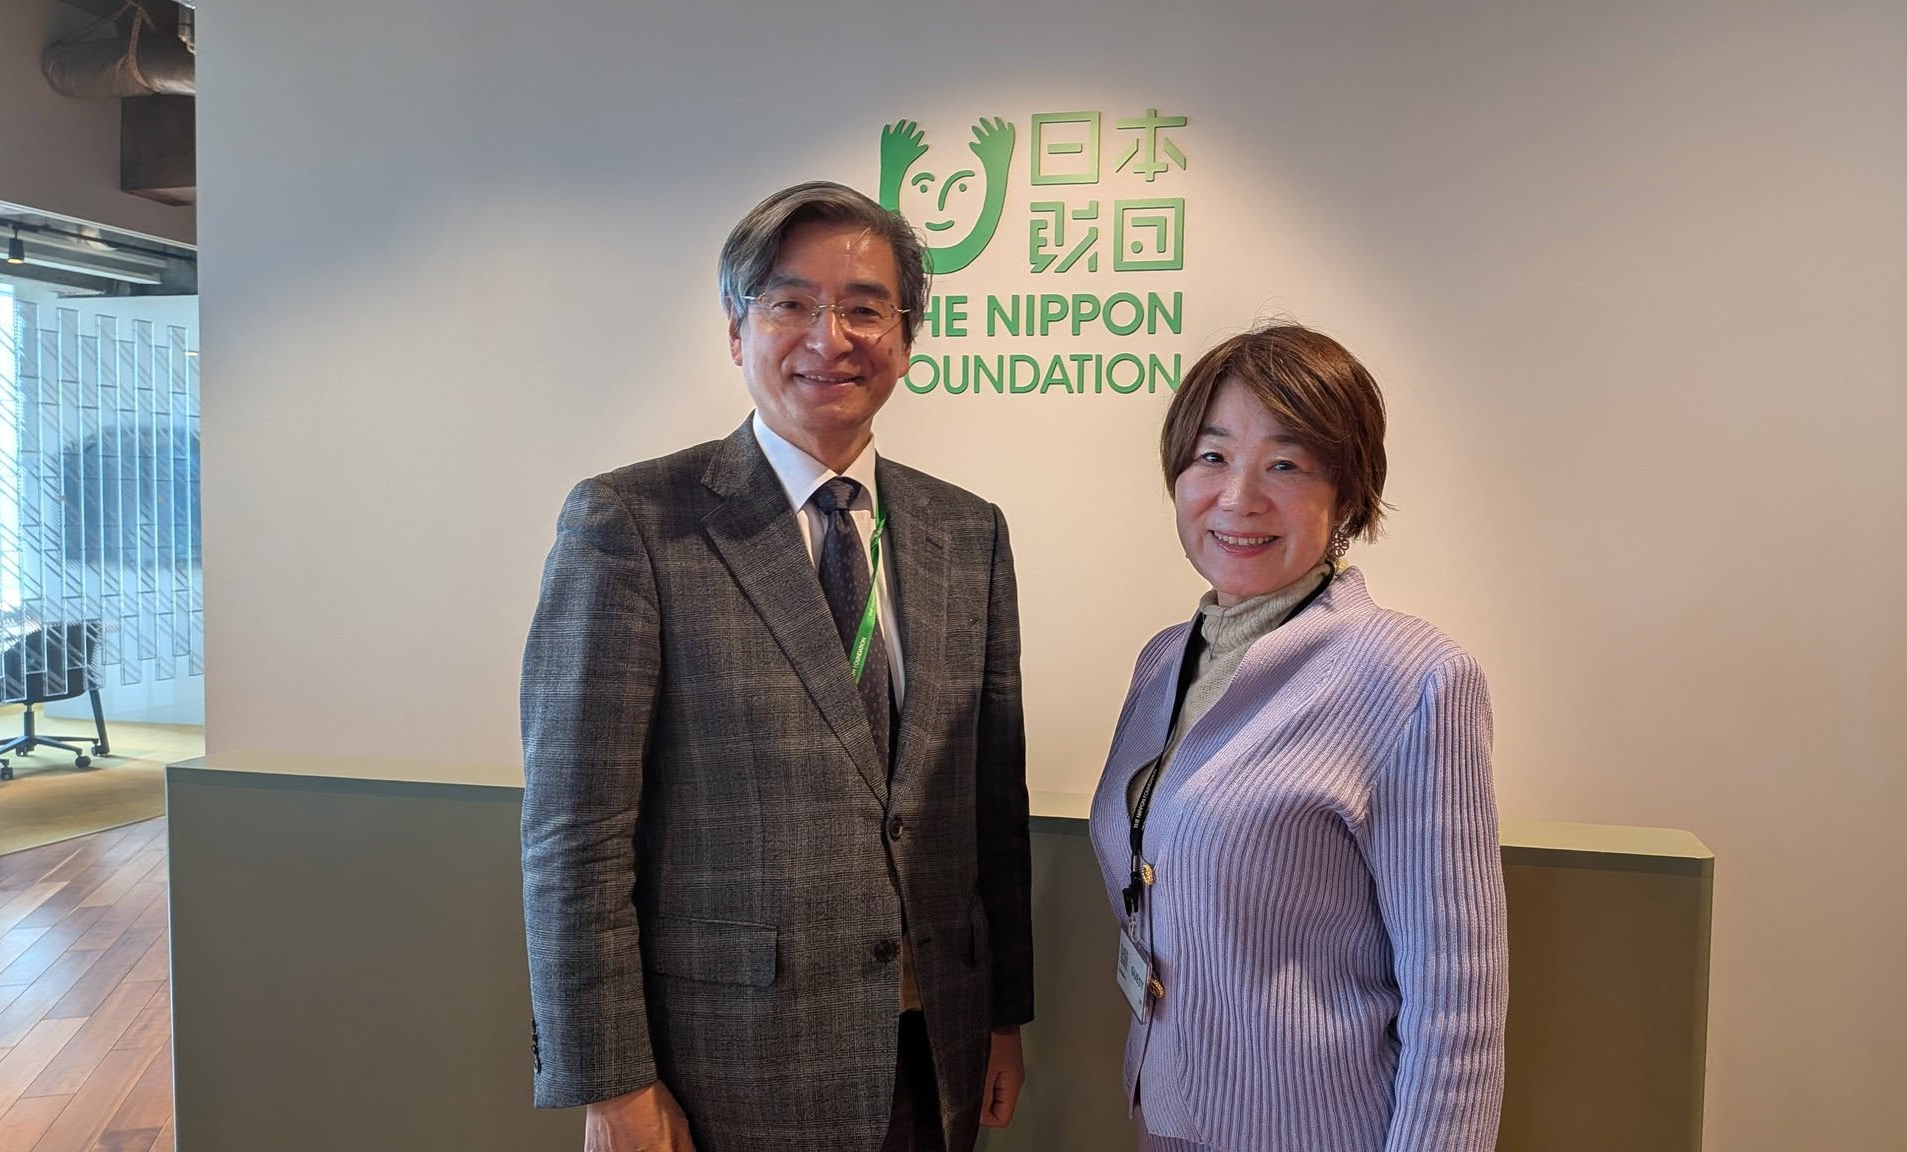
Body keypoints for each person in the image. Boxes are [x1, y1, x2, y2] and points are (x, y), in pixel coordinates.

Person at [521, 181, 1032, 1152]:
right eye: (790, 303)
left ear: (906, 338)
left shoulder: (968, 532)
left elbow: (990, 809)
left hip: (936, 1047)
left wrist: (1004, 1012)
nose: (829, 338)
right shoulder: (632, 524)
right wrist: (612, 1084)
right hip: (727, 1066)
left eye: (865, 308)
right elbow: (573, 836)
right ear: (735, 330)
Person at [1088, 324, 1507, 1151]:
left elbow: (1456, 1007)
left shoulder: (1415, 678)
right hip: (1166, 1120)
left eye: (1285, 464)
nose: (1239, 497)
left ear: (1347, 494)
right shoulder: (1165, 661)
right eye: (1212, 457)